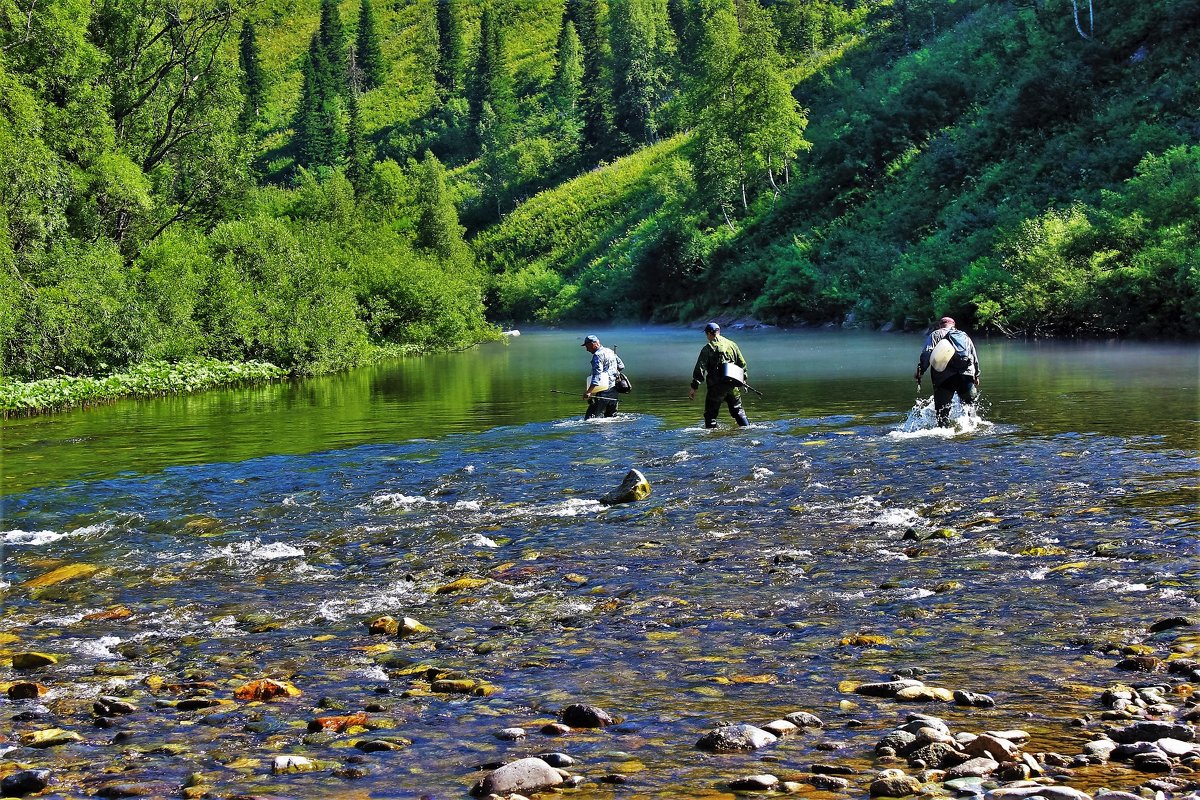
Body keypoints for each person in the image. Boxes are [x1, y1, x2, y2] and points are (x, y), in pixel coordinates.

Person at [914, 316, 980, 427]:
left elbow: (927, 353)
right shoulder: (964, 336)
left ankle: (944, 435)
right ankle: (972, 431)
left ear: (940, 325)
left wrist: (921, 370)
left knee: (942, 412)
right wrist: (976, 375)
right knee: (970, 407)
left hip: (944, 377)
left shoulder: (935, 335)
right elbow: (974, 356)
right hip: (966, 376)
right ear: (954, 325)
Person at [688, 322, 750, 428]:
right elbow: (742, 365)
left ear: (708, 334)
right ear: (719, 332)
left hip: (716, 388)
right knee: (738, 412)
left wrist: (694, 387)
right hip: (732, 386)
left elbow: (700, 369)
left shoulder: (708, 348)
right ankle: (748, 430)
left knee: (710, 416)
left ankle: (711, 439)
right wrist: (743, 380)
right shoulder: (732, 345)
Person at [581, 334, 624, 420]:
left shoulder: (597, 355)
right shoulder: (610, 351)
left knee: (589, 419)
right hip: (614, 389)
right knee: (611, 418)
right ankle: (610, 433)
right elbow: (621, 366)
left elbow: (597, 375)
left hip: (603, 391)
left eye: (587, 346)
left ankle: (597, 433)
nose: (587, 349)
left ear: (594, 344)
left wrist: (589, 392)